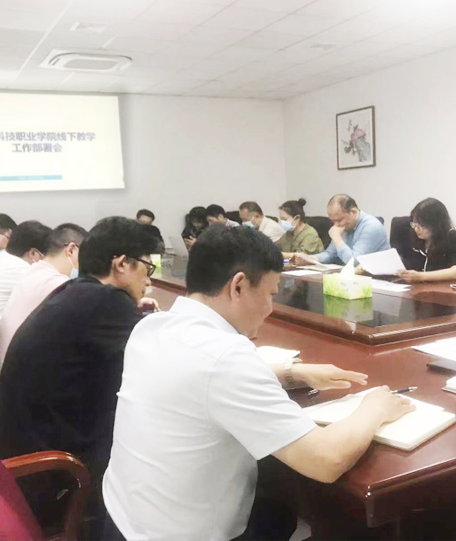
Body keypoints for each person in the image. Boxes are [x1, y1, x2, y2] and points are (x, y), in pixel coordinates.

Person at [102, 226, 415, 541]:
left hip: (119, 519)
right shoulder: (227, 357)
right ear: (238, 286)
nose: (270, 308)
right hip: (180, 535)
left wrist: (293, 372)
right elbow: (325, 460)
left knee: (278, 513)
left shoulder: (152, 326)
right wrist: (375, 408)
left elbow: (200, 378)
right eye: (270, 294)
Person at [0, 217, 160, 537]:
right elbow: (163, 362)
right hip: (56, 475)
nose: (148, 279)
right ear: (121, 264)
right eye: (146, 268)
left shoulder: (76, 292)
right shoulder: (106, 301)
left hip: (26, 458)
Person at [0, 223, 88, 371]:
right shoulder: (56, 284)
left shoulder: (34, 272)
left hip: (12, 370)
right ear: (71, 250)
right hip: (24, 376)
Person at [295, 194, 390, 266]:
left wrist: (337, 238)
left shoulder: (371, 227)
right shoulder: (343, 226)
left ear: (354, 212)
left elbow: (353, 262)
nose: (336, 225)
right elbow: (330, 254)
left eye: (339, 220)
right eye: (333, 221)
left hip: (380, 280)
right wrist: (311, 258)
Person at [397, 198, 456, 283]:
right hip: (415, 287)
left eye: (422, 225)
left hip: (442, 287)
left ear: (436, 224)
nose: (416, 229)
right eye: (414, 224)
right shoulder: (416, 237)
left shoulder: (453, 238)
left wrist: (420, 276)